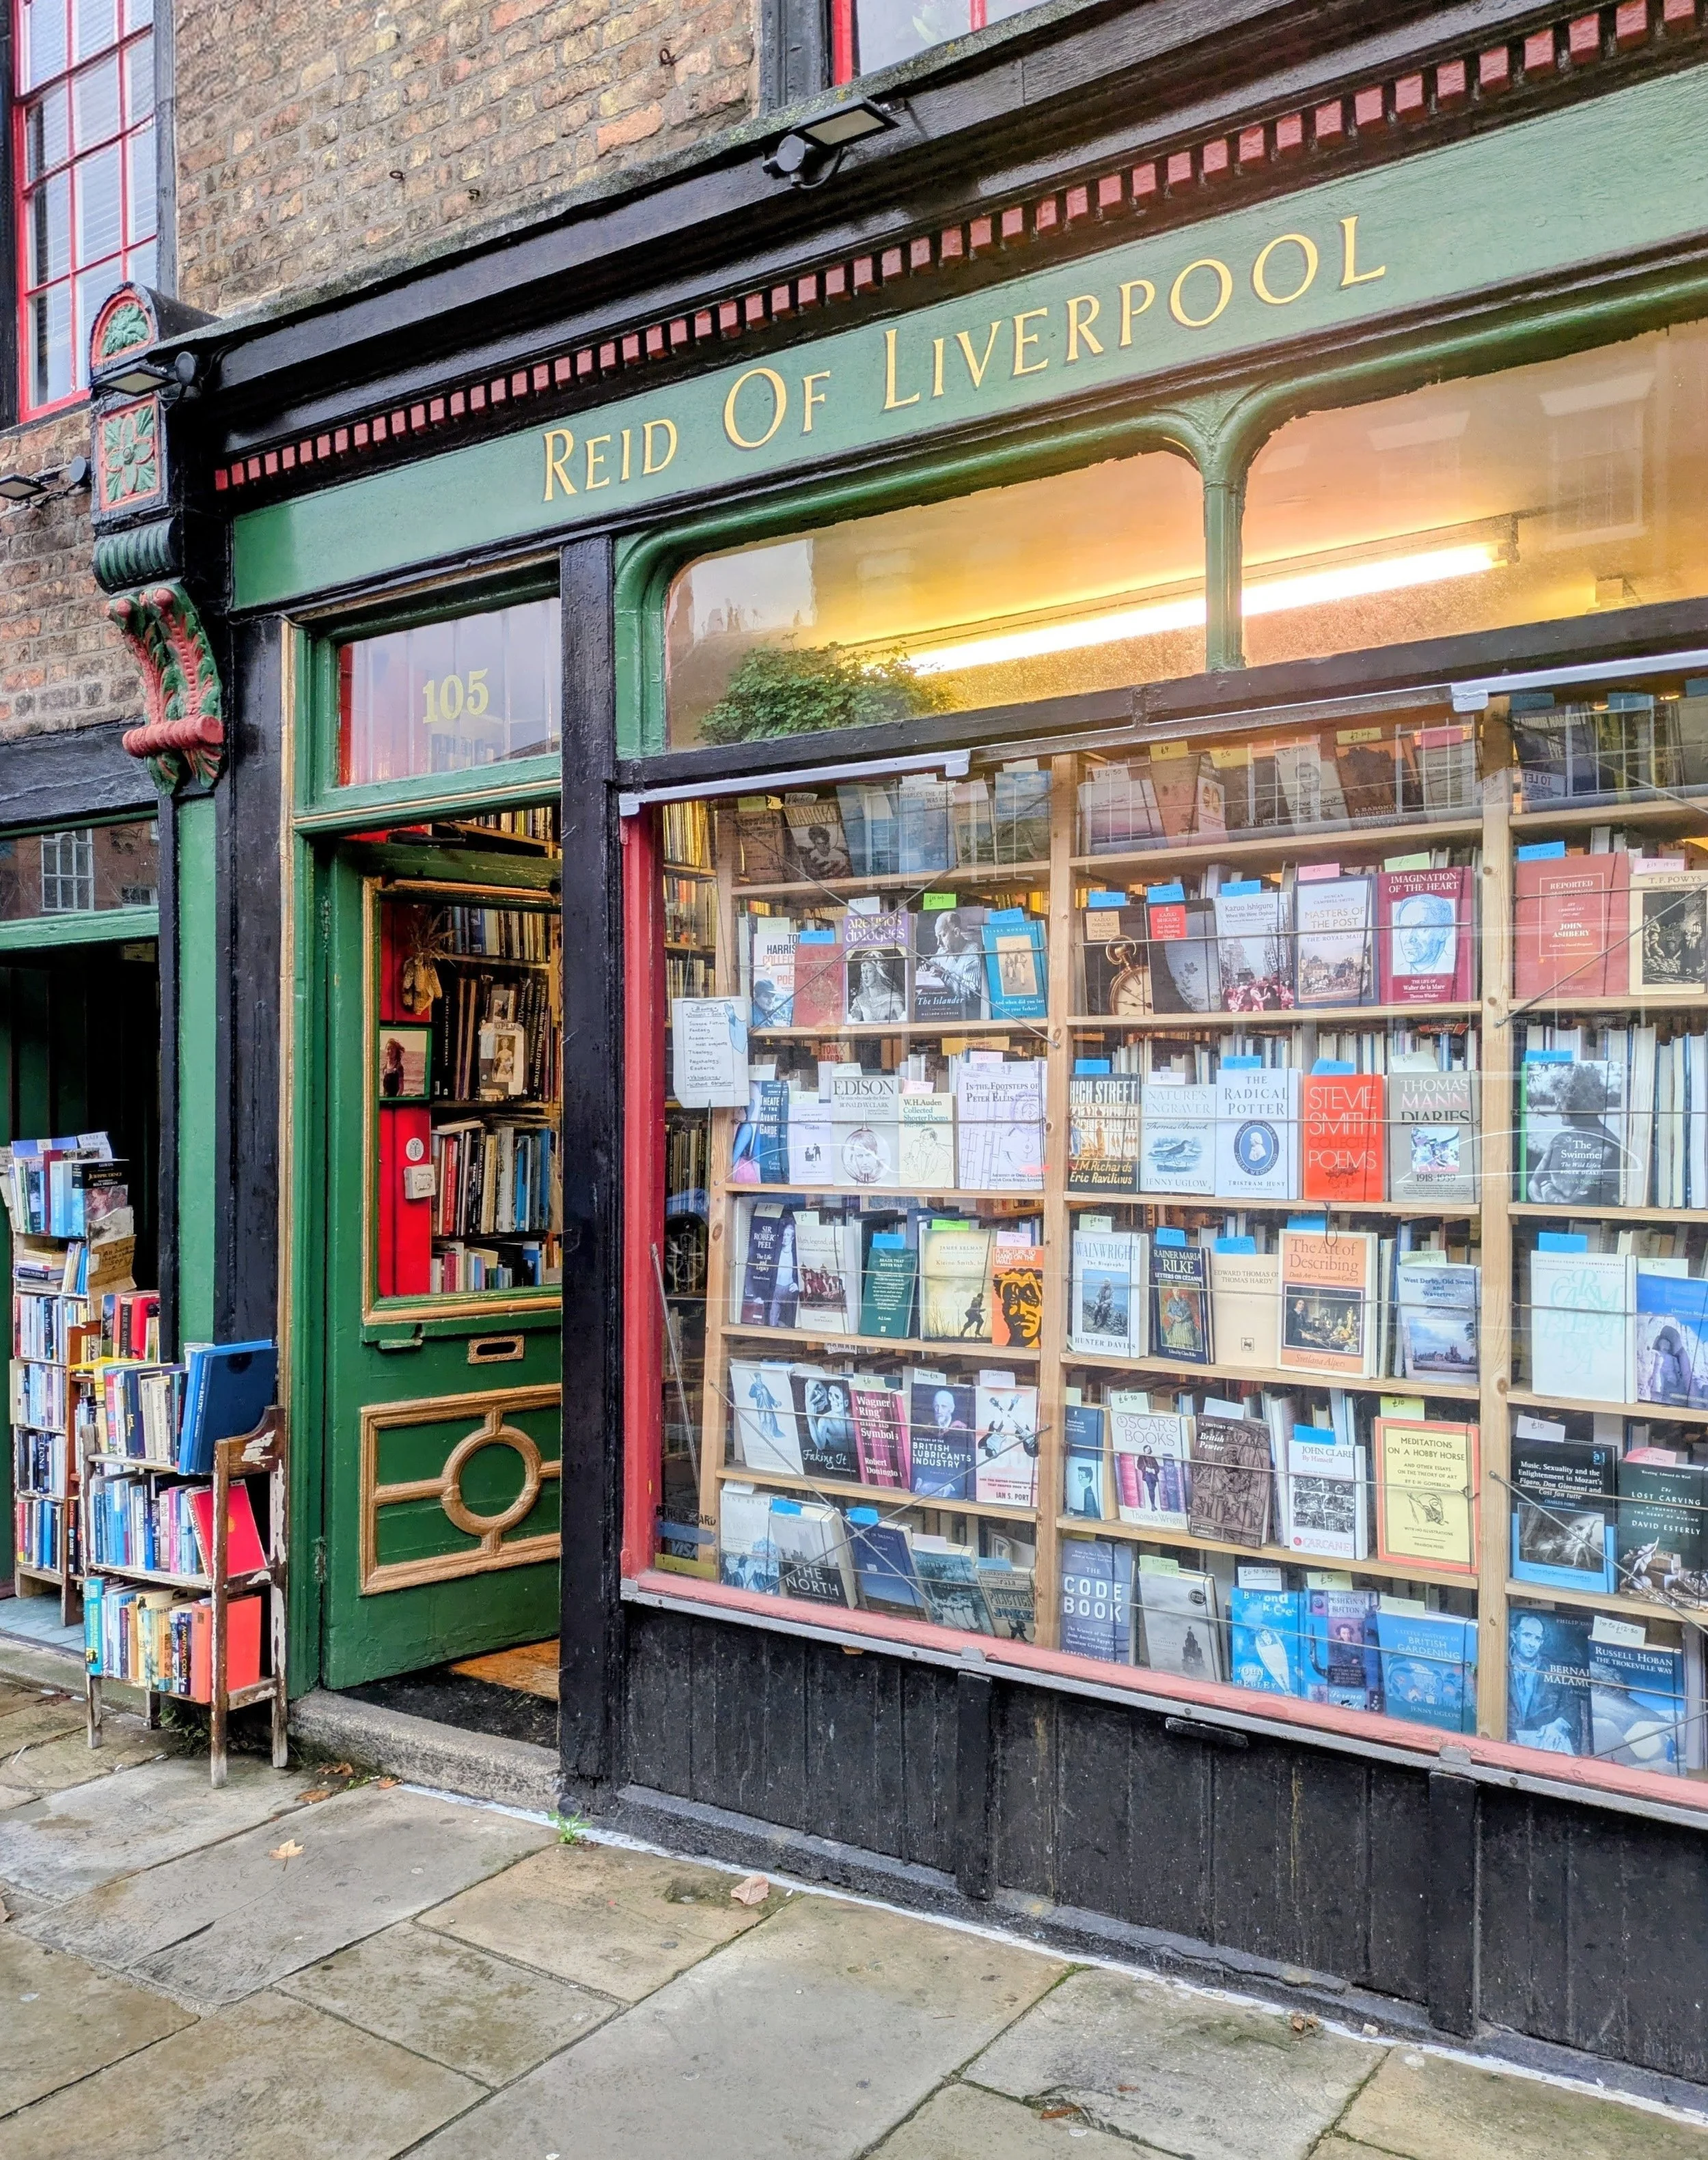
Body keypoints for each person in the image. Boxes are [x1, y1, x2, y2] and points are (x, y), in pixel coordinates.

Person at [1508, 1611, 1584, 1753]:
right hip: (1503, 1741)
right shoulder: (1499, 1661)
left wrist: (1558, 1725)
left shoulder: (1553, 1668)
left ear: (1542, 1642)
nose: (1532, 1644)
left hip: (1543, 1742)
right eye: (1527, 1635)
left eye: (1537, 1638)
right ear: (1514, 1636)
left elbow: (1572, 1706)